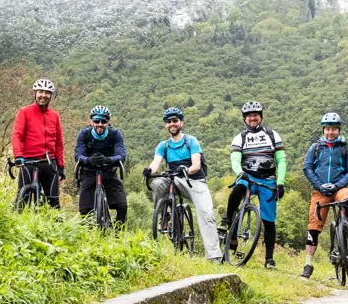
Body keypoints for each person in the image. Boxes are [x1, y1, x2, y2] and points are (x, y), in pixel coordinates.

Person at [143, 108, 221, 260]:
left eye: (175, 121)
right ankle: (164, 216)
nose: (172, 124)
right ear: (166, 125)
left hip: (194, 181)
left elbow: (196, 165)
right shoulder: (163, 145)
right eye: (169, 122)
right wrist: (149, 170)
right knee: (157, 183)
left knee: (207, 214)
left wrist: (187, 169)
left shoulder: (191, 141)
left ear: (181, 123)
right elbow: (156, 162)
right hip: (174, 180)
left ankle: (214, 256)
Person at [224, 101, 286, 268]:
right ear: (245, 119)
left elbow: (281, 160)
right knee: (238, 188)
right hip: (248, 177)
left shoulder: (272, 135)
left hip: (268, 181)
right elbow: (235, 160)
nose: (253, 118)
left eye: (255, 115)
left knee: (269, 221)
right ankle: (227, 220)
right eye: (249, 116)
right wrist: (240, 173)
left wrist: (280, 183)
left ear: (261, 117)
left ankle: (269, 259)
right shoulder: (240, 138)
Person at [299, 112, 348, 278]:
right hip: (320, 190)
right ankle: (308, 264)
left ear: (338, 130)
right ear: (323, 130)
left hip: (339, 188)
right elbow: (307, 168)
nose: (330, 132)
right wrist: (320, 185)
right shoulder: (315, 148)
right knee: (313, 228)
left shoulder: (346, 149)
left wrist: (337, 185)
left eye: (333, 129)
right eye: (327, 129)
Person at [10, 78, 65, 208]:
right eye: (40, 92)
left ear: (51, 96)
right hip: (28, 160)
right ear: (34, 93)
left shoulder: (54, 116)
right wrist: (18, 156)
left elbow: (58, 143)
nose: (43, 95)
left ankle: (53, 220)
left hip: (49, 162)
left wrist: (60, 166)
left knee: (53, 203)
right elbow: (16, 135)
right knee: (22, 200)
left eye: (47, 93)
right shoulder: (24, 112)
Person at [74, 105, 128, 226]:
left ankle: (118, 232)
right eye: (96, 121)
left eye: (103, 121)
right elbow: (78, 155)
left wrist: (107, 160)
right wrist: (89, 160)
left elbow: (121, 155)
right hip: (89, 172)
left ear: (108, 122)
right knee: (84, 211)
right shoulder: (84, 134)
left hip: (109, 172)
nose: (100, 124)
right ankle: (88, 233)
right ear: (91, 121)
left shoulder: (115, 134)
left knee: (122, 206)